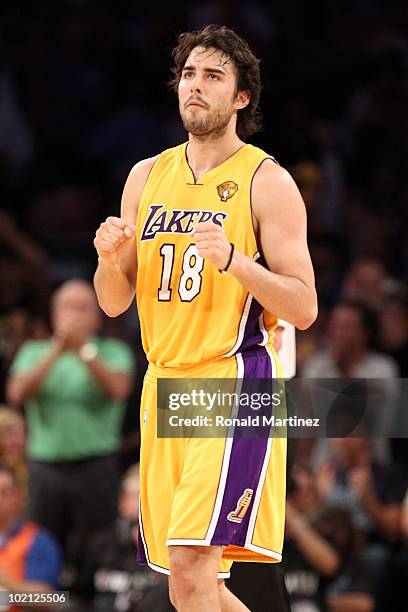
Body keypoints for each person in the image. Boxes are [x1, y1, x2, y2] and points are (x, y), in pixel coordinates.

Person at [93, 24, 317, 612]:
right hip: (163, 382)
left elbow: (305, 306)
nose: (195, 86)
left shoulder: (267, 182)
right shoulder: (146, 176)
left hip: (233, 379)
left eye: (213, 76)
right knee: (190, 581)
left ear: (241, 97)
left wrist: (238, 262)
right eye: (189, 74)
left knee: (193, 563)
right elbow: (114, 301)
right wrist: (109, 259)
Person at [6, 279, 134, 588]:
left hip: (96, 467)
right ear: (54, 316)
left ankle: (91, 603)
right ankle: (45, 603)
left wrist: (84, 351)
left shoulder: (113, 351)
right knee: (41, 545)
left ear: (98, 315)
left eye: (83, 308)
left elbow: (118, 390)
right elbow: (17, 393)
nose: (75, 315)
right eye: (68, 307)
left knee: (97, 550)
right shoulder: (34, 351)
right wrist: (56, 351)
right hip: (45, 467)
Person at [0, 464, 62, 611]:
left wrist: (9, 586)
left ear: (19, 497)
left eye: (4, 492)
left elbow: (53, 599)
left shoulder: (37, 540)